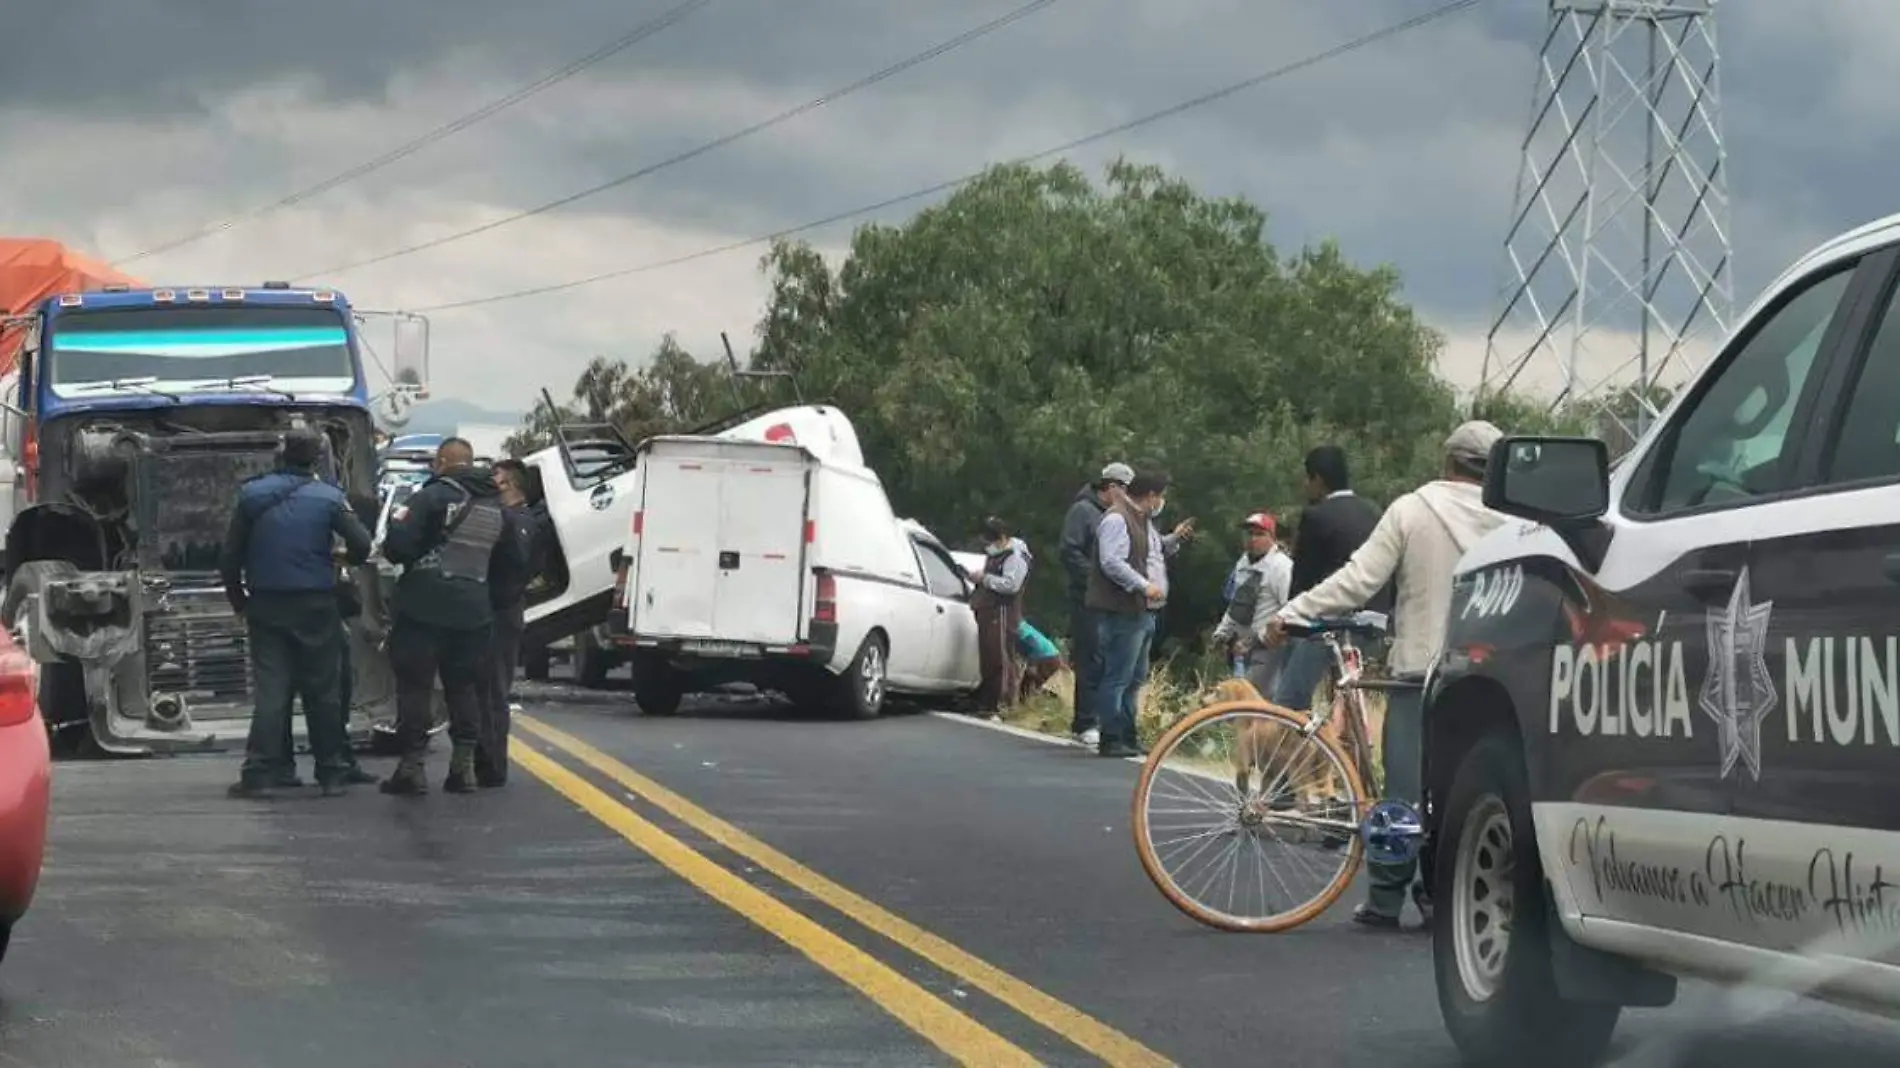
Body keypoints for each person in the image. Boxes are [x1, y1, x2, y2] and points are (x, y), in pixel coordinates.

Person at [1266, 420, 1508, 930]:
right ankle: (1450, 897)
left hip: (1420, 674)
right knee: (1477, 791)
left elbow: (1357, 580)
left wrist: (1292, 614)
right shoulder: (1517, 519)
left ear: (1447, 460)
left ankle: (1385, 897)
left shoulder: (1412, 509)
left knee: (1404, 791)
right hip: (1496, 679)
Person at [219, 428, 373, 798]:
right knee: (324, 690)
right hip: (316, 604)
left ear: (281, 456)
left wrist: (239, 600)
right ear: (317, 459)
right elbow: (363, 544)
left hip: (267, 604)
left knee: (272, 690)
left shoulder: (251, 495)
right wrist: (343, 558)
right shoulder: (329, 497)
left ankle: (261, 773)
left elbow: (230, 556)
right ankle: (332, 772)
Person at [379, 438, 528, 795]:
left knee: (415, 686)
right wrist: (484, 598)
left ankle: (412, 767)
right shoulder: (498, 508)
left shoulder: (430, 497)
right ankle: (463, 769)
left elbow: (397, 546)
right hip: (474, 613)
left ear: (442, 462)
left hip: (423, 608)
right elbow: (514, 563)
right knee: (464, 688)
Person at [1270, 445, 1388, 714]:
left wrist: (1287, 621)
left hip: (1331, 622)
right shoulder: (1373, 511)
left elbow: (1304, 579)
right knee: (1345, 702)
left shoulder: (1316, 516)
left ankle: (1285, 750)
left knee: (1289, 700)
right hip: (1374, 622)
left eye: (1307, 478)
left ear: (1318, 480)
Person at [1087, 468, 1193, 758]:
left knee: (1134, 678)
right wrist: (1144, 586)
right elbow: (1112, 561)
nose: (1161, 502)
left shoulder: (1143, 521)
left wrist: (1174, 539)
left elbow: (1154, 553)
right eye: (1161, 496)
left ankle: (1128, 734)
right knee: (1118, 676)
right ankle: (1111, 736)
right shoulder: (1117, 519)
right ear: (1150, 496)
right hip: (1124, 609)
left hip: (1143, 612)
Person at [475, 458, 547, 788]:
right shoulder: (518, 520)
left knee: (493, 691)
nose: (492, 488)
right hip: (500, 610)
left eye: (497, 482)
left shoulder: (519, 521)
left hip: (500, 613)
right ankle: (484, 761)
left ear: (511, 486)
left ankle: (492, 766)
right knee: (485, 690)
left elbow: (519, 564)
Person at [1058, 462, 1132, 747]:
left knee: (1107, 659)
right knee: (1091, 658)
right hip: (1087, 597)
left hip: (1109, 599)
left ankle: (1102, 720)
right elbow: (1069, 550)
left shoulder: (1113, 516)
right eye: (1125, 490)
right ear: (1111, 487)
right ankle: (1085, 721)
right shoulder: (1083, 511)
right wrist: (1094, 578)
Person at [1211, 512, 1292, 698]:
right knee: (1244, 705)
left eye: (1259, 534)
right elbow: (1236, 605)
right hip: (1242, 648)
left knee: (1253, 705)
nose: (1253, 539)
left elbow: (1289, 610)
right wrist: (1221, 633)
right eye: (1250, 534)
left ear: (1272, 538)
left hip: (1269, 648)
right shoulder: (1243, 564)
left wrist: (1264, 637)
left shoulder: (1282, 567)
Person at [966, 516, 1033, 717]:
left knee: (1001, 658)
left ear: (1003, 537)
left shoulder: (1015, 556)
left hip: (1002, 611)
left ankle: (1002, 704)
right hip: (989, 610)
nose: (989, 547)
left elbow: (1011, 585)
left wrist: (985, 579)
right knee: (988, 657)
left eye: (992, 541)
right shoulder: (999, 553)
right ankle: (987, 702)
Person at [1015, 619, 1065, 702]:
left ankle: (1052, 698)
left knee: (1034, 681)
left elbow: (1032, 644)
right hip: (1050, 656)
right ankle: (1026, 703)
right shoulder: (1021, 625)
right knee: (1028, 683)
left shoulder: (1020, 628)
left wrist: (1031, 664)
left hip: (1047, 658)